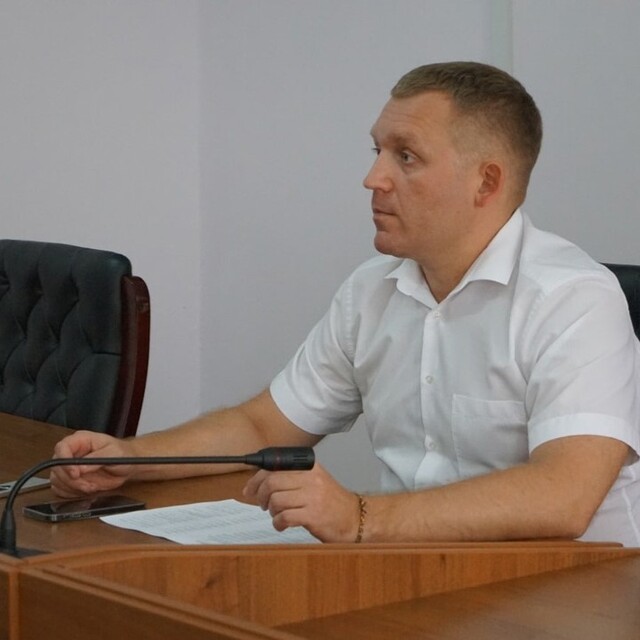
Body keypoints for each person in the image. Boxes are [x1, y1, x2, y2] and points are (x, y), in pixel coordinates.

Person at [51, 61, 640, 546]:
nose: (373, 178)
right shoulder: (372, 290)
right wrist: (132, 457)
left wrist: (359, 517)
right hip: (419, 569)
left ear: (486, 182)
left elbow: (564, 495)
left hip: (578, 592)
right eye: (377, 150)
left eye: (405, 157)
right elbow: (264, 425)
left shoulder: (573, 300)